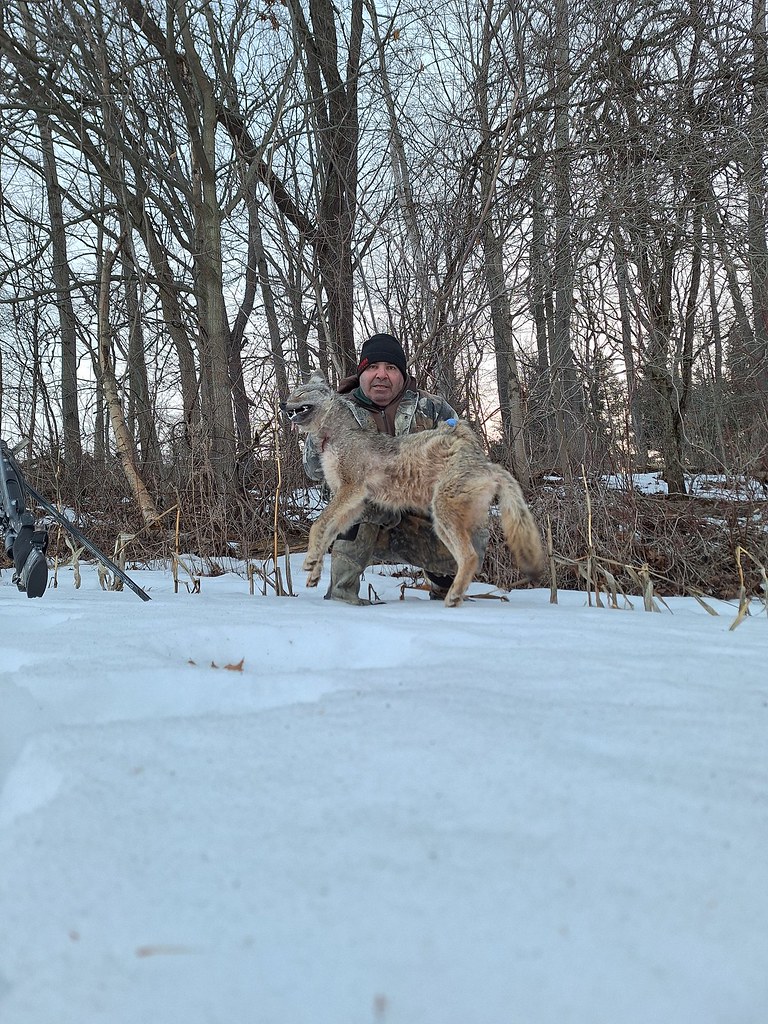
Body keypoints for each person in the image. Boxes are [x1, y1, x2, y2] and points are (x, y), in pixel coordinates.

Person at [303, 332, 488, 604]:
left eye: (390, 367)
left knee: (470, 527)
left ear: (402, 374)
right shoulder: (337, 411)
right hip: (368, 518)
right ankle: (343, 594)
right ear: (361, 373)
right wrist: (318, 435)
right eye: (373, 367)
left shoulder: (432, 407)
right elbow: (313, 471)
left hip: (419, 511)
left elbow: (467, 463)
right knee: (353, 500)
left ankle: (444, 584)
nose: (381, 375)